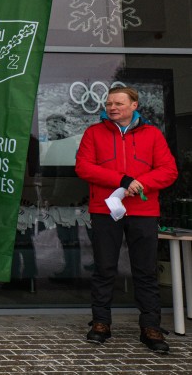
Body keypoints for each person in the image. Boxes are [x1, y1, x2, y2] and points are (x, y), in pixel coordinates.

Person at [75, 86, 178, 353]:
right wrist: (121, 180)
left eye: (119, 103)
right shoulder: (93, 133)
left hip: (144, 211)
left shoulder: (152, 134)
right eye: (109, 103)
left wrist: (140, 183)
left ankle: (150, 327)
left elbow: (169, 170)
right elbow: (83, 167)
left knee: (145, 271)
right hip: (105, 210)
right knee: (104, 268)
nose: (112, 107)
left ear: (134, 105)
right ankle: (101, 323)